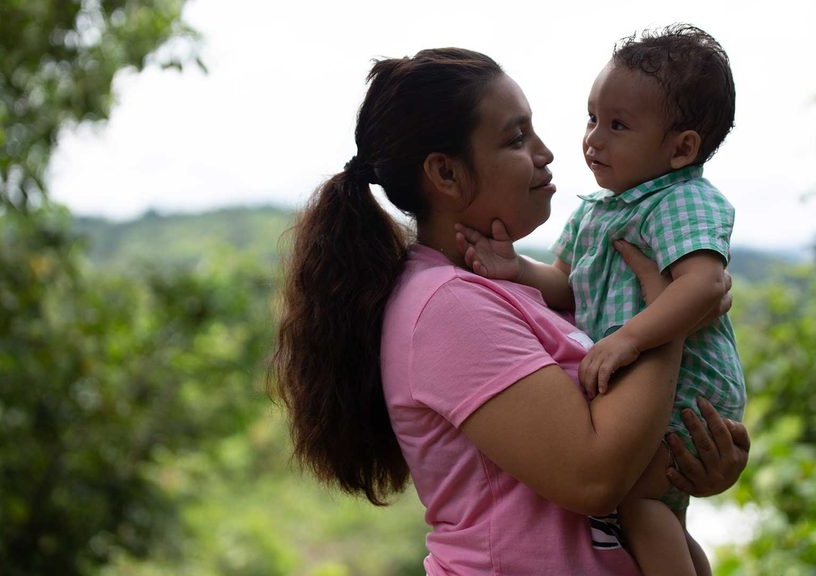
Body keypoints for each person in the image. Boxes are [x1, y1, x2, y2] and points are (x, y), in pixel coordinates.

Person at [269, 47, 749, 575]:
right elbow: (593, 477)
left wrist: (688, 466)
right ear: (446, 174)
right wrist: (667, 316)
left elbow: (622, 450)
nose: (548, 153)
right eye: (516, 138)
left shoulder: (504, 291)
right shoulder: (446, 307)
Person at [454, 25, 745, 575]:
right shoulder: (598, 209)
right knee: (660, 510)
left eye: (618, 125)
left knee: (639, 500)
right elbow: (567, 280)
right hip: (650, 377)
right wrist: (515, 267)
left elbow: (704, 285)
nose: (593, 139)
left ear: (682, 148)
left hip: (690, 384)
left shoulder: (681, 201)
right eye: (592, 118)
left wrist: (629, 339)